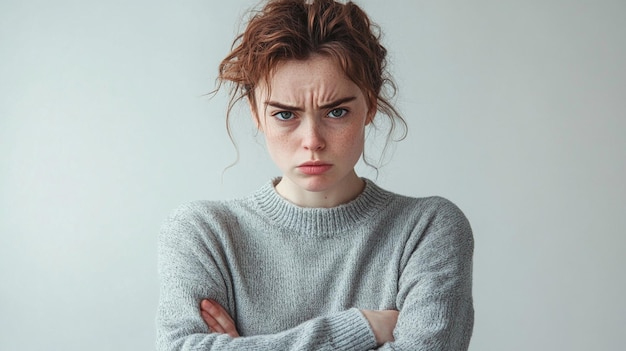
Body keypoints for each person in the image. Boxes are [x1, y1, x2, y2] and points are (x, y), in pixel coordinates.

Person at [156, 0, 474, 350]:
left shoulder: (427, 229)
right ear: (255, 113)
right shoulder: (203, 234)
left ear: (369, 103)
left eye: (336, 112)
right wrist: (361, 328)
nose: (313, 142)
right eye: (285, 115)